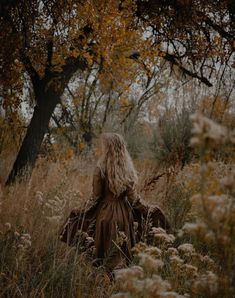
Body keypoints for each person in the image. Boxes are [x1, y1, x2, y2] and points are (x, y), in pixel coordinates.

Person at [60, 133, 170, 271]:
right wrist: (148, 209)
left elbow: (95, 198)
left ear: (108, 148)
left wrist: (80, 211)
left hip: (105, 216)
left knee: (104, 255)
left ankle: (104, 280)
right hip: (124, 215)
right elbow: (134, 200)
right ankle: (121, 278)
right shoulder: (127, 170)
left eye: (104, 146)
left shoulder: (100, 169)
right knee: (122, 254)